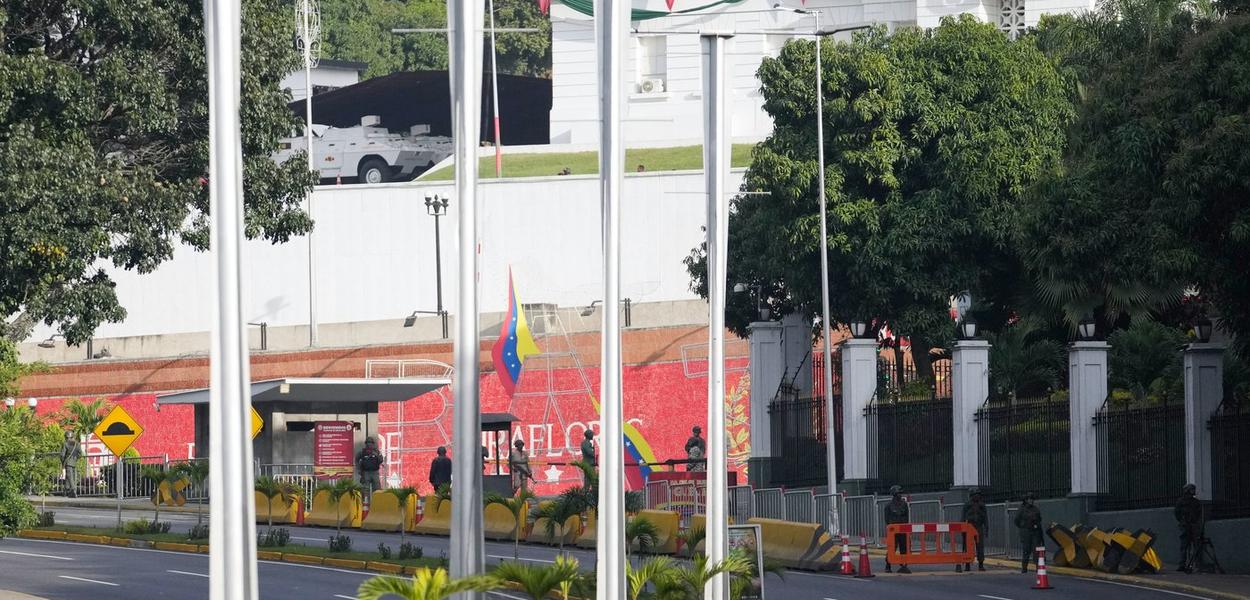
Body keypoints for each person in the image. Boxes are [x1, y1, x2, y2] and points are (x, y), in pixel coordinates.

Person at [1175, 483, 1202, 572]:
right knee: (1185, 546)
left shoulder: (1195, 502)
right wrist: (1183, 521)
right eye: (1192, 490)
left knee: (1194, 545)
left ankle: (1195, 564)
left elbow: (1198, 513)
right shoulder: (1182, 501)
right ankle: (1183, 564)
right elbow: (1177, 513)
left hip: (1191, 525)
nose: (1194, 491)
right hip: (1186, 525)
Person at [1014, 492, 1044, 573]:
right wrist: (1023, 527)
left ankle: (1038, 568)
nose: (1031, 501)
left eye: (1032, 499)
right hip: (1026, 532)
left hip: (1035, 532)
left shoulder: (1035, 509)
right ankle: (1024, 568)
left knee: (1036, 550)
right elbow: (1016, 520)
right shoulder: (1022, 509)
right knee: (1026, 550)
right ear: (1026, 500)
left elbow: (1039, 519)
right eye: (1029, 499)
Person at [883, 485, 910, 573]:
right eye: (898, 493)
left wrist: (905, 528)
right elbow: (887, 520)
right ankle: (888, 565)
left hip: (902, 530)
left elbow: (906, 517)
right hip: (893, 531)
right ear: (894, 494)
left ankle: (904, 564)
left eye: (900, 493)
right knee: (892, 548)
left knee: (904, 548)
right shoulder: (889, 506)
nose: (900, 495)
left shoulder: (904, 504)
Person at [962, 488, 988, 572]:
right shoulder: (967, 505)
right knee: (968, 546)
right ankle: (967, 564)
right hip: (969, 527)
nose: (977, 496)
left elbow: (985, 518)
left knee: (980, 546)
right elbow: (963, 517)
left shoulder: (982, 505)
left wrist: (987, 528)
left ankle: (981, 564)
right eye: (975, 495)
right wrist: (963, 529)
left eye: (978, 495)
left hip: (978, 527)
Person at [60, 431, 81, 498]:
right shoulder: (77, 444)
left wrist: (63, 462)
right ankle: (66, 491)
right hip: (74, 462)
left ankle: (73, 491)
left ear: (66, 437)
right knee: (69, 476)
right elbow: (80, 454)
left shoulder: (66, 444)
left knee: (70, 477)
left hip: (67, 462)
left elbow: (62, 455)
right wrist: (75, 459)